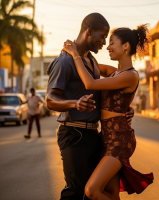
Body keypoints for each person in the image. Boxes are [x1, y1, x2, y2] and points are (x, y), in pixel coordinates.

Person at [46, 13, 134, 200]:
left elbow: (105, 89)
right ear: (90, 31)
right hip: (74, 134)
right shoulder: (65, 61)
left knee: (95, 193)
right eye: (103, 37)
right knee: (76, 191)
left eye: (108, 39)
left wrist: (123, 108)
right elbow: (49, 100)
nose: (104, 43)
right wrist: (75, 103)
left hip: (95, 136)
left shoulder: (92, 62)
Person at [63, 23, 154, 200]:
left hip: (119, 140)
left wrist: (75, 55)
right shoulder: (115, 73)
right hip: (106, 137)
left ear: (125, 47)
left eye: (112, 43)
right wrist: (81, 50)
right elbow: (93, 66)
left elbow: (91, 83)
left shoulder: (130, 75)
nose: (108, 46)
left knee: (92, 190)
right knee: (111, 193)